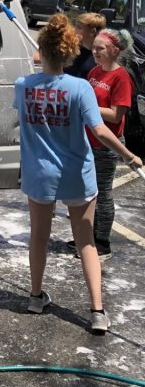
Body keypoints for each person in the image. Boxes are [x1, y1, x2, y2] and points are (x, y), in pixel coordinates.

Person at [13, 15, 142, 335]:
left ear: (42, 50)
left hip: (39, 174)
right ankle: (97, 311)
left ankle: (35, 297)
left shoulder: (23, 85)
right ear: (71, 53)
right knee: (86, 242)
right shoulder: (80, 87)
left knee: (38, 237)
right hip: (76, 173)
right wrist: (129, 156)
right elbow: (100, 130)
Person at [82, 28, 135, 260]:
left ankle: (102, 241)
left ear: (114, 50)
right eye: (94, 47)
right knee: (87, 192)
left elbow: (115, 115)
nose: (95, 52)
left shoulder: (121, 77)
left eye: (100, 48)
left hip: (106, 145)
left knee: (102, 193)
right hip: (88, 140)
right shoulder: (94, 71)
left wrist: (87, 107)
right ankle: (87, 237)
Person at [65, 12, 106, 79]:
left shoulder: (100, 57)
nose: (75, 29)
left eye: (79, 27)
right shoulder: (71, 49)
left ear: (92, 31)